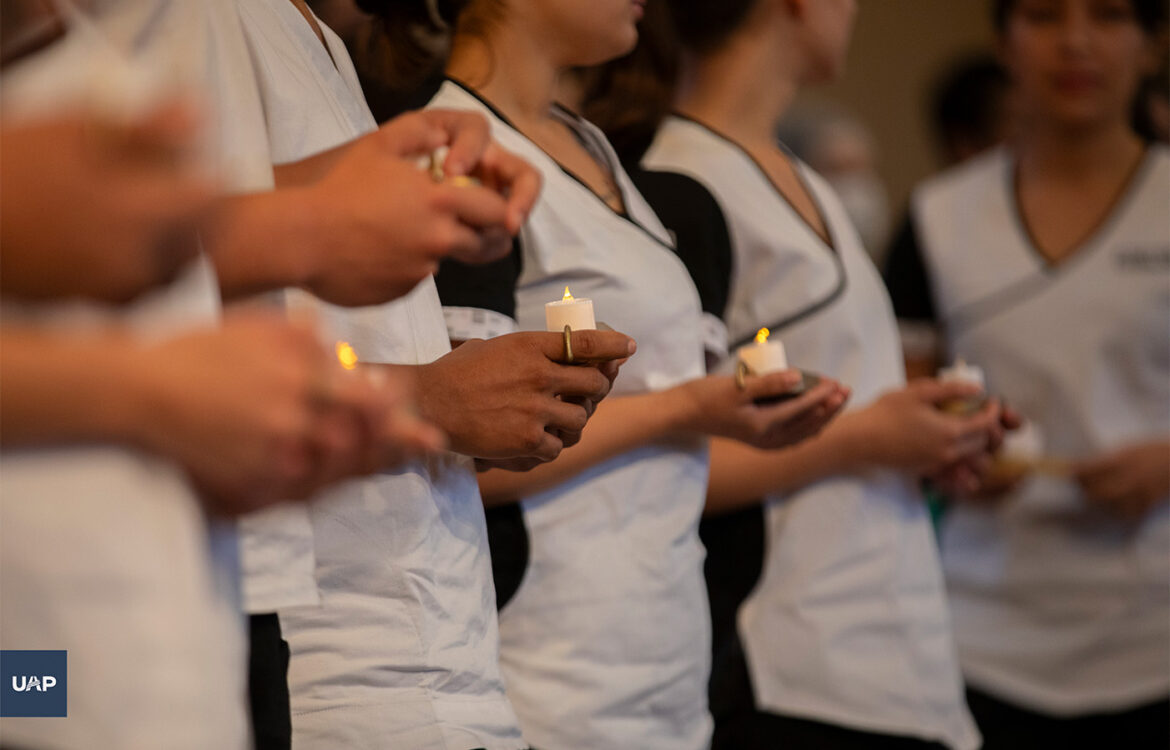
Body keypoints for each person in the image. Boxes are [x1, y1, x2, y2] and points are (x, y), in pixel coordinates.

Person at [340, 1, 850, 748]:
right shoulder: (452, 150)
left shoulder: (589, 146)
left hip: (660, 652)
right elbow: (461, 446)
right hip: (550, 666)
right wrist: (685, 408)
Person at [584, 1, 1007, 748]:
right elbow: (643, 456)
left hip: (890, 647)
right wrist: (867, 437)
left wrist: (927, 435)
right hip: (789, 660)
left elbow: (836, 392)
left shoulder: (800, 176)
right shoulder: (678, 183)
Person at [228, 2, 635, 748]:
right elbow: (138, 320)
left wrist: (483, 403)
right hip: (338, 675)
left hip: (448, 664)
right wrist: (429, 398)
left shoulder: (321, 46)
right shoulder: (206, 22)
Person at [886, 0, 1170, 747]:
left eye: (1109, 15)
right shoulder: (939, 216)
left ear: (1151, 43)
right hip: (982, 639)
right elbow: (899, 408)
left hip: (1154, 637)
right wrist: (953, 451)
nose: (1075, 41)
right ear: (1003, 42)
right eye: (1043, 15)